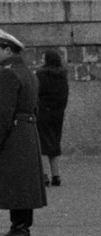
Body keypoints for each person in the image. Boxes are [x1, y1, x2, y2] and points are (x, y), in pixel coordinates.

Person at [0, 29, 47, 236]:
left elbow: (3, 112)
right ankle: (22, 227)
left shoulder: (9, 74)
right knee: (24, 183)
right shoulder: (28, 73)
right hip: (27, 131)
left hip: (13, 132)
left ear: (9, 50)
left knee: (16, 182)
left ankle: (18, 229)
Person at [36, 49, 69, 187]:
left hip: (42, 112)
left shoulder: (40, 75)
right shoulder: (62, 76)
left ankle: (44, 175)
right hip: (57, 114)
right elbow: (65, 95)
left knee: (42, 144)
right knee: (54, 143)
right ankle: (56, 175)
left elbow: (36, 93)